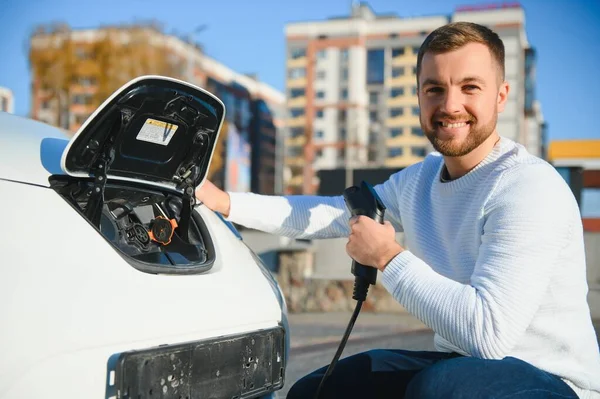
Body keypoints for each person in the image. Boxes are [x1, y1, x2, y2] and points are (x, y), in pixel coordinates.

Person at [196, 22, 600, 399]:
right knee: (319, 390)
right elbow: (334, 212)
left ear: (501, 95)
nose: (450, 105)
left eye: (470, 87)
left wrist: (388, 257)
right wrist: (226, 203)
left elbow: (488, 335)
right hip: (461, 368)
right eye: (434, 89)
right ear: (420, 95)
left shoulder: (527, 187)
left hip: (554, 381)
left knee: (438, 388)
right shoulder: (421, 179)